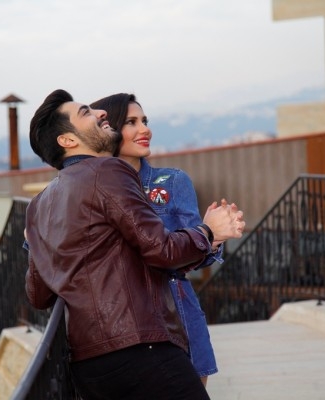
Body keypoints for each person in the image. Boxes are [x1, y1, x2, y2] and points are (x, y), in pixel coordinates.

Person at [24, 89, 245, 400]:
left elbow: (39, 294)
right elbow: (162, 249)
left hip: (88, 363)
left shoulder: (39, 204)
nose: (100, 113)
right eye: (86, 112)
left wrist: (36, 245)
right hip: (141, 347)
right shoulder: (108, 170)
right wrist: (208, 232)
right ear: (68, 140)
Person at [91, 93, 223, 386]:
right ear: (108, 130)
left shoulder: (173, 181)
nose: (145, 129)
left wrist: (213, 238)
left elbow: (193, 256)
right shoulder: (87, 188)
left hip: (178, 315)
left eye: (144, 121)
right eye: (131, 122)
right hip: (116, 328)